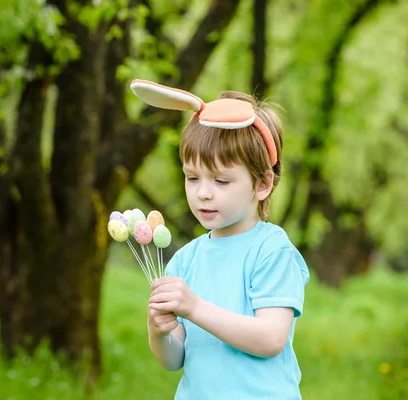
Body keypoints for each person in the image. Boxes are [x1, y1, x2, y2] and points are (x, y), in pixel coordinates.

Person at [130, 79, 310, 399]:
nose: (203, 193)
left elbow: (270, 339)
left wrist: (194, 307)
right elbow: (175, 360)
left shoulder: (271, 251)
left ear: (262, 184)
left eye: (222, 180)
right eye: (192, 177)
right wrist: (159, 331)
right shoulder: (185, 260)